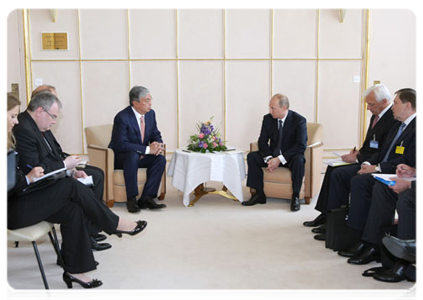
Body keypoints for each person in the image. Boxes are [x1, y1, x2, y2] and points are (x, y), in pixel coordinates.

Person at [5, 92, 147, 289]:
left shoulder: (9, 139)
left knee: (73, 208)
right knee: (70, 187)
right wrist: (29, 178)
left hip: (24, 197)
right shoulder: (21, 132)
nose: (16, 120)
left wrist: (57, 172)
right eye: (12, 116)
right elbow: (12, 184)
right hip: (10, 211)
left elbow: (22, 173)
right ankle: (114, 223)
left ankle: (75, 270)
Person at [13, 86, 110, 251]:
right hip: (44, 181)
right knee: (82, 184)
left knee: (96, 175)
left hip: (56, 171)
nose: (54, 120)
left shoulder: (42, 126)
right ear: (40, 109)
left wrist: (71, 166)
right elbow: (36, 166)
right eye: (53, 115)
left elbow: (56, 152)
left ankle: (91, 230)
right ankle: (97, 228)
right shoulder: (25, 128)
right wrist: (66, 167)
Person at [303, 84, 397, 240]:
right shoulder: (377, 113)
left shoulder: (392, 119)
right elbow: (371, 143)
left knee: (340, 174)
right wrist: (358, 152)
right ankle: (326, 214)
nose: (368, 108)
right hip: (366, 157)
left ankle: (336, 223)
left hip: (374, 162)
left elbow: (384, 150)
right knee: (332, 169)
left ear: (384, 101)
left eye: (371, 104)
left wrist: (359, 159)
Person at [338, 88, 420, 264]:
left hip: (398, 172)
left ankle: (373, 244)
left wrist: (377, 167)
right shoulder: (398, 124)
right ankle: (363, 239)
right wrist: (368, 164)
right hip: (394, 170)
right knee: (359, 181)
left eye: (396, 103)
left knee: (375, 186)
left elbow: (410, 158)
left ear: (407, 106)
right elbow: (383, 151)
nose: (392, 107)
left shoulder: (417, 127)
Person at [243, 93, 307, 211]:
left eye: (273, 108)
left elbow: (300, 146)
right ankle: (259, 194)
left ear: (284, 108)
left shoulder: (299, 120)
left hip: (290, 157)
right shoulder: (268, 119)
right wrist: (269, 158)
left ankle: (295, 196)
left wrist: (280, 159)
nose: (271, 111)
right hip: (272, 155)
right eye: (270, 108)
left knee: (299, 160)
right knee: (252, 157)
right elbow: (262, 142)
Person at [109, 86, 166, 213]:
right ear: (135, 103)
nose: (150, 103)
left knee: (160, 159)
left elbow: (155, 133)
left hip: (141, 155)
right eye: (147, 100)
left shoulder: (151, 114)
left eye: (150, 99)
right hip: (122, 158)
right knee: (132, 156)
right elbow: (121, 145)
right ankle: (131, 198)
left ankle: (147, 197)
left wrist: (157, 144)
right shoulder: (122, 117)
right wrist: (146, 149)